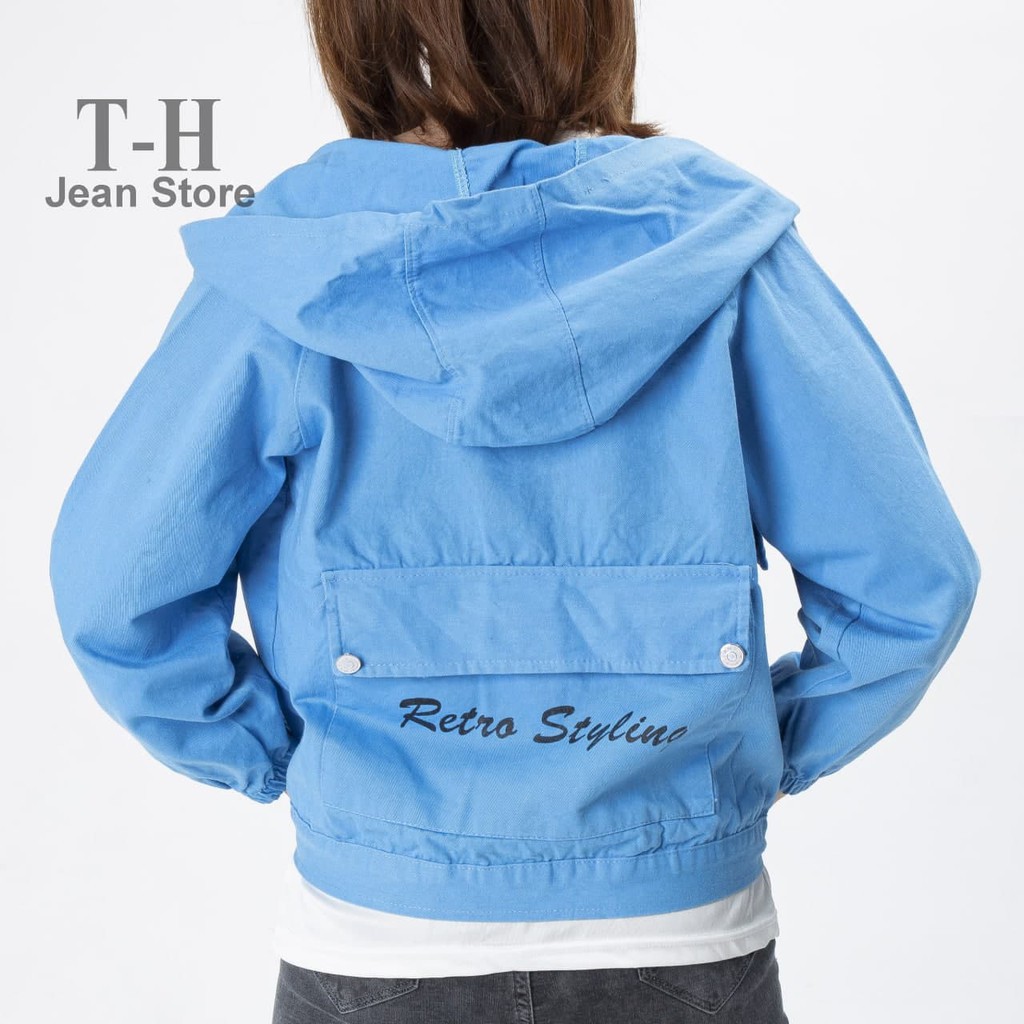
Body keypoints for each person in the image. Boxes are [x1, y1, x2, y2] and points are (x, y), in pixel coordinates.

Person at [48, 2, 981, 1022]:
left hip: (380, 930)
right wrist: (739, 754)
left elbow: (117, 588)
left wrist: (273, 756)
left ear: (351, 30)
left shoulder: (288, 277)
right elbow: (909, 585)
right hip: (680, 924)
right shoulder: (723, 255)